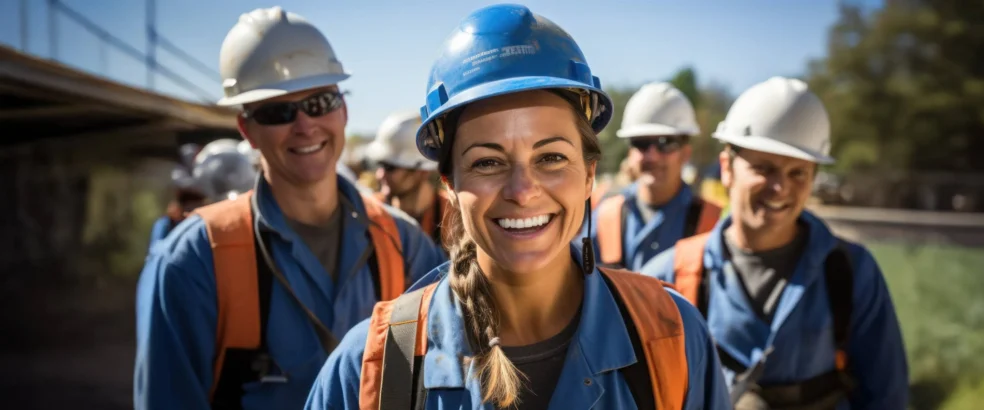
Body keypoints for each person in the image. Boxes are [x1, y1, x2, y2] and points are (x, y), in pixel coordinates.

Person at [304, 5, 730, 410]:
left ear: (589, 175)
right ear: (450, 184)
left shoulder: (671, 337)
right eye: (488, 162)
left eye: (551, 158)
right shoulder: (369, 370)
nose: (522, 190)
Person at [134, 7, 446, 410]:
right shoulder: (195, 260)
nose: (305, 126)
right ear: (247, 130)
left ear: (343, 111)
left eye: (319, 102)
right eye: (278, 112)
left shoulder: (403, 245)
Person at [641, 77, 909, 409]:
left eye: (798, 173)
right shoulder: (669, 276)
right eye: (764, 169)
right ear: (727, 168)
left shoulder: (850, 272)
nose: (779, 188)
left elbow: (886, 397)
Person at [581, 82, 720, 272]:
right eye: (642, 143)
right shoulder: (605, 216)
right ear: (630, 152)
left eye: (665, 143)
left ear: (685, 153)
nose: (652, 156)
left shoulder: (711, 223)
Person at [366, 110, 452, 246]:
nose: (380, 174)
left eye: (390, 167)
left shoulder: (453, 216)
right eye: (380, 165)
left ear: (422, 171)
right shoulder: (369, 214)